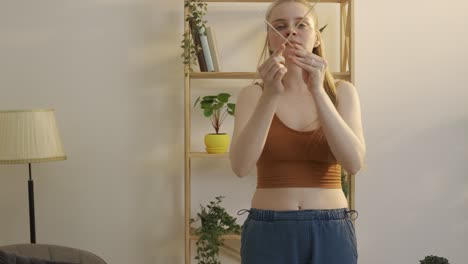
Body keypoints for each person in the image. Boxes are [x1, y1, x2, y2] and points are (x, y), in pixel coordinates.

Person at [229, 0, 367, 263]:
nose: (291, 32)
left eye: (301, 24)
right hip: (267, 229)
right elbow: (240, 166)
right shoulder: (253, 94)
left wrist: (317, 90)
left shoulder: (342, 93)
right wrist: (270, 95)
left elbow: (353, 163)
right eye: (279, 26)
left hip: (331, 227)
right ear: (270, 39)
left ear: (316, 37)